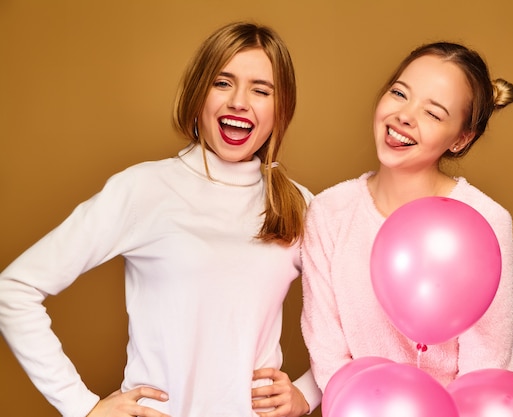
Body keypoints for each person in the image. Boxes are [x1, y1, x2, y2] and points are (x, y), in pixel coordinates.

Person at [0, 21, 321, 417]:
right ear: (197, 92)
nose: (240, 101)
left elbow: (357, 320)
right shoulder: (143, 189)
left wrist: (308, 392)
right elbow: (13, 289)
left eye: (261, 90)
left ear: (281, 107)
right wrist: (82, 407)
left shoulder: (298, 206)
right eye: (223, 83)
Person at [301, 41, 513, 392]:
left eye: (433, 113)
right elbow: (328, 356)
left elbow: (487, 366)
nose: (405, 115)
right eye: (400, 93)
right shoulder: (329, 213)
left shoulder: (487, 221)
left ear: (460, 139)